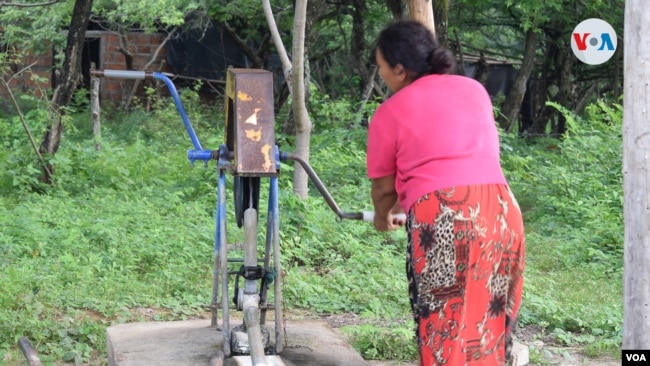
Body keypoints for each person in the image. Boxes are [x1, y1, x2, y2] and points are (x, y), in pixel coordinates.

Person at [366, 19, 526, 366]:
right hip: (501, 211)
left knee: (444, 327)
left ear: (399, 68)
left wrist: (382, 218)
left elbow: (383, 189)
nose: (381, 76)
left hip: (444, 216)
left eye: (381, 68)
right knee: (489, 326)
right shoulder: (473, 90)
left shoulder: (389, 112)